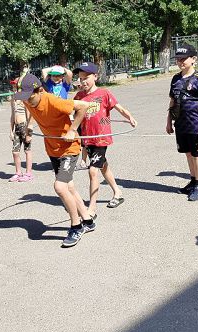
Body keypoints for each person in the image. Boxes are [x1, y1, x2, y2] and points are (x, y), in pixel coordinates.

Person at [13, 73, 95, 248]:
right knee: (69, 186)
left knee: (60, 187)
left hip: (69, 148)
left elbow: (83, 106)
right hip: (53, 148)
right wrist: (30, 125)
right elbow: (32, 110)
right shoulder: (28, 100)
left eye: (30, 97)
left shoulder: (54, 101)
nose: (27, 101)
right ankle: (88, 220)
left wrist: (72, 130)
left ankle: (76, 226)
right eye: (24, 97)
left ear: (40, 91)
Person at [72, 61, 137, 216]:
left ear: (95, 76)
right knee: (103, 166)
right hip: (88, 138)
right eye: (80, 78)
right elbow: (73, 115)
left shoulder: (104, 93)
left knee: (93, 171)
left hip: (101, 138)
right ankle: (117, 192)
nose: (83, 81)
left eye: (86, 77)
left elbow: (119, 108)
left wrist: (130, 117)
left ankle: (92, 208)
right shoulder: (79, 96)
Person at [166, 44, 198, 202]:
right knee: (188, 153)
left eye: (183, 59)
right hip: (181, 124)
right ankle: (193, 181)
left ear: (193, 59)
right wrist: (168, 121)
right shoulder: (175, 79)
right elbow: (172, 101)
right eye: (178, 59)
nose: (180, 62)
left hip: (196, 124)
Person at [8, 78, 34, 182]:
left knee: (27, 150)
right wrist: (11, 130)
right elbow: (12, 115)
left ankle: (28, 173)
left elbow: (29, 117)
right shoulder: (13, 99)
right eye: (13, 86)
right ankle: (18, 172)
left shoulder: (25, 100)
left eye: (16, 86)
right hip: (17, 128)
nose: (14, 87)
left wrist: (29, 132)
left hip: (25, 127)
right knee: (15, 152)